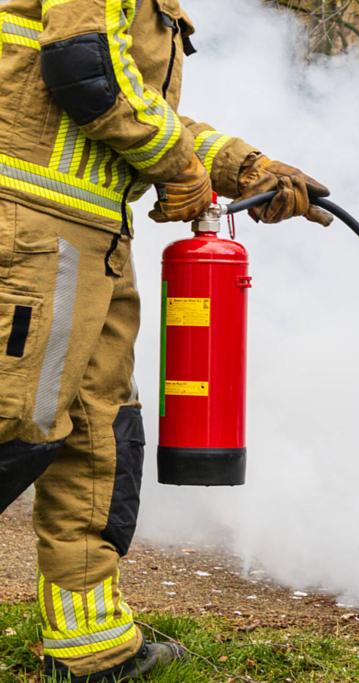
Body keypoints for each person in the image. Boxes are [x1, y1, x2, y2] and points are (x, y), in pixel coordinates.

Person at [0, 1, 329, 679]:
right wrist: (182, 167)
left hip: (93, 238)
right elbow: (83, 69)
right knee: (13, 427)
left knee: (99, 441)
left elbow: (132, 100)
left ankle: (91, 647)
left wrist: (242, 165)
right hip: (32, 229)